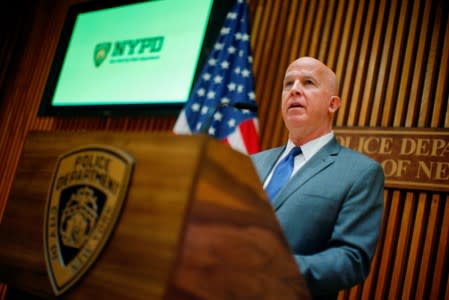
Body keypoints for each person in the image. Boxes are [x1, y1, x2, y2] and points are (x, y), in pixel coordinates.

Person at [251, 57, 384, 300]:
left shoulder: (360, 172)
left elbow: (351, 259)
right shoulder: (251, 162)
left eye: (308, 82)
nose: (295, 90)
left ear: (333, 104)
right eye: (288, 84)